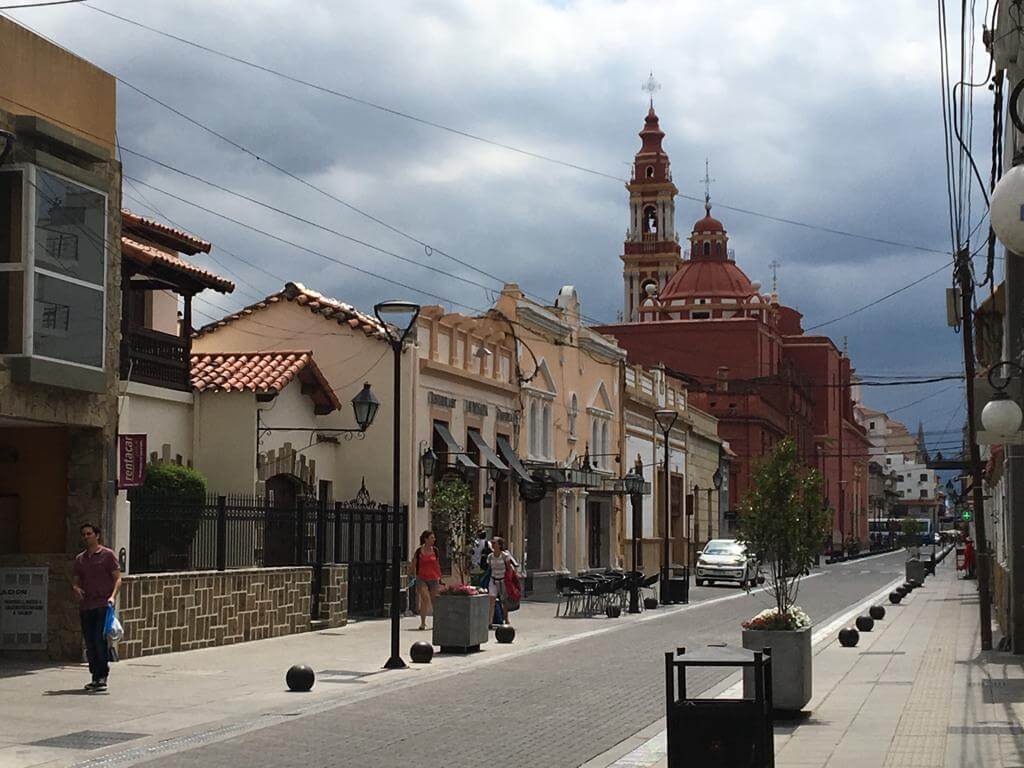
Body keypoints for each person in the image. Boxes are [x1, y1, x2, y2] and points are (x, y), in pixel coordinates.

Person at [72, 522, 121, 691]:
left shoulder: (108, 555)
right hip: (86, 606)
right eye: (84, 534)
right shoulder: (80, 559)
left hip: (102, 604)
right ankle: (94, 676)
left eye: (89, 534)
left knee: (99, 641)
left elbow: (117, 578)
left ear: (97, 535)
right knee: (90, 642)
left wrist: (113, 597)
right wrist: (76, 588)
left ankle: (102, 676)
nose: (86, 537)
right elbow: (76, 580)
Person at [409, 530, 441, 630]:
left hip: (434, 578)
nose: (434, 540)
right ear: (425, 539)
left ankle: (437, 622)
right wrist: (410, 574)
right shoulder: (419, 551)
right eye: (431, 538)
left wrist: (440, 577)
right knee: (425, 599)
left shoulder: (435, 550)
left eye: (434, 538)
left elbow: (437, 564)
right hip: (421, 578)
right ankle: (423, 623)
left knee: (435, 601)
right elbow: (414, 563)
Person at [486, 536, 518, 628]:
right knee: (491, 599)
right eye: (492, 543)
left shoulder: (505, 556)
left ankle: (506, 619)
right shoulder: (490, 557)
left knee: (504, 601)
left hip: (503, 581)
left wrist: (510, 581)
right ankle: (490, 622)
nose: (492, 544)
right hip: (493, 580)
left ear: (499, 545)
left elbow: (509, 569)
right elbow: (489, 569)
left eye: (494, 543)